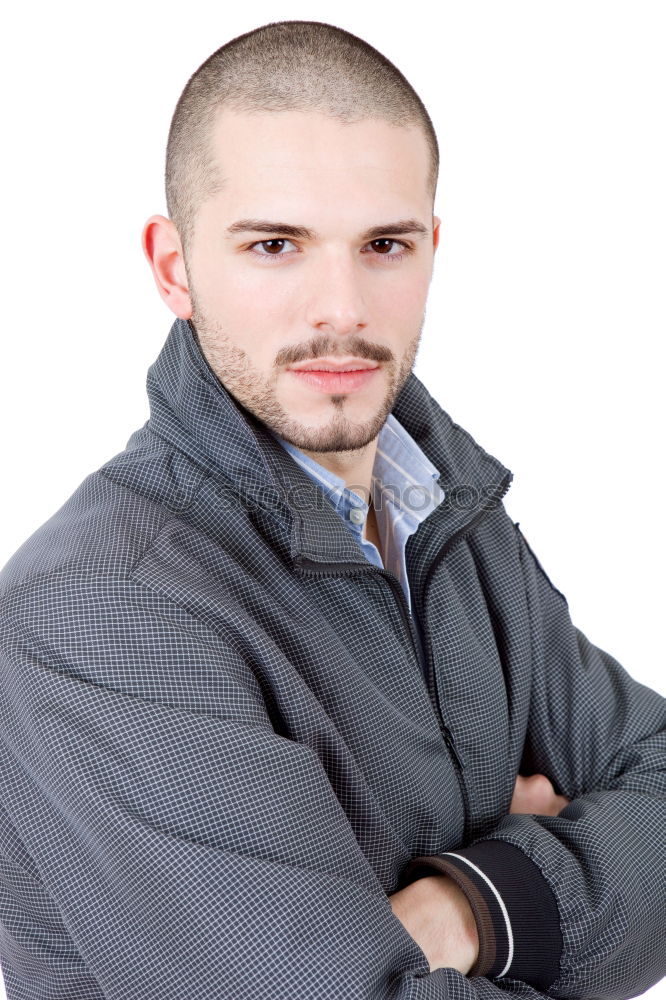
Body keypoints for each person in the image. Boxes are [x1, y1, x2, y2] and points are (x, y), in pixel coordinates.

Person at [0, 18, 664, 1000]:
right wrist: (566, 858)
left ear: (432, 249)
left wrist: (472, 903)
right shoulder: (97, 609)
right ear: (174, 266)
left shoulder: (448, 520)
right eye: (276, 245)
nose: (342, 308)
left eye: (384, 244)